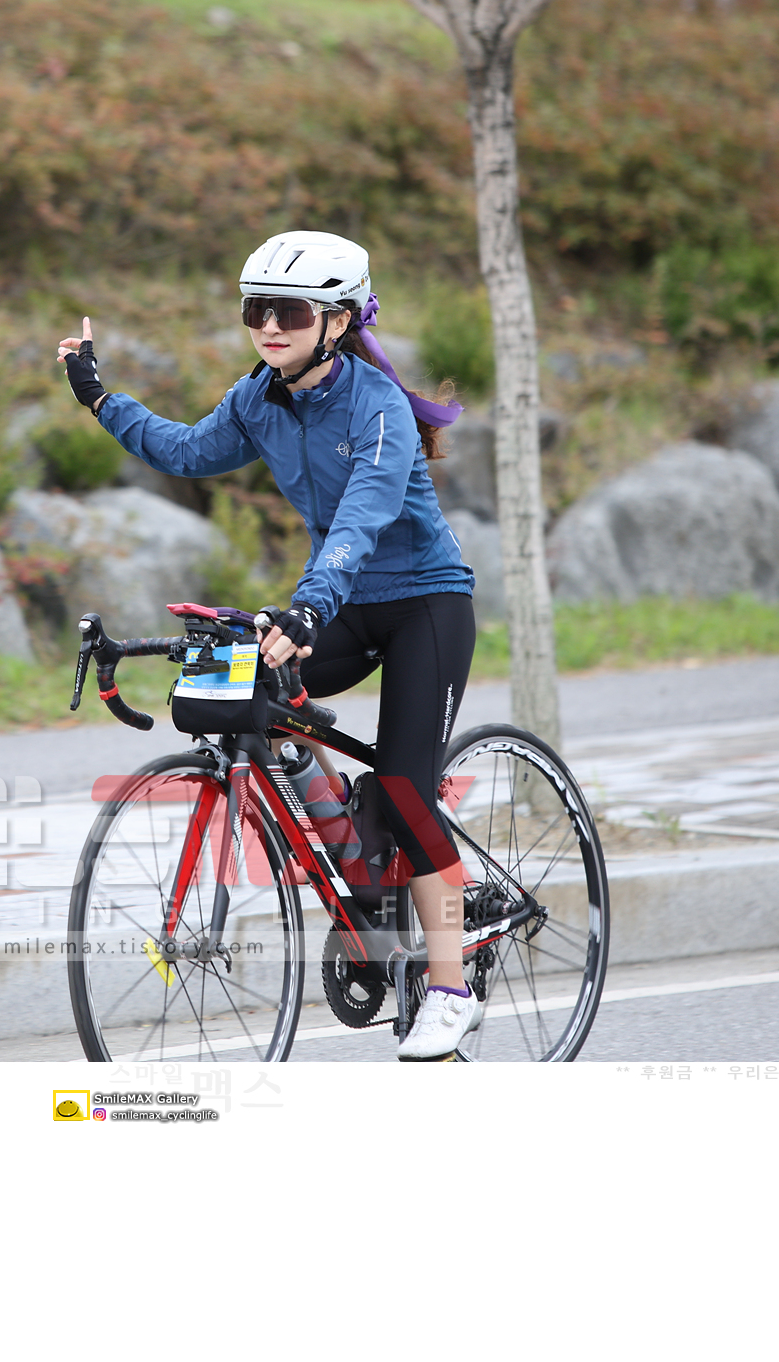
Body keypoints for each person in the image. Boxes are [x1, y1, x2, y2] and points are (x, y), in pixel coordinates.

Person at [58, 230, 480, 1061]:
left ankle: (449, 985)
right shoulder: (260, 399)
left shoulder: (377, 406)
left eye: (289, 311)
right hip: (340, 602)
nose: (269, 327)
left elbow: (362, 516)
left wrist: (309, 606)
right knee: (249, 687)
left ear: (338, 321)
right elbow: (184, 450)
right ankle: (356, 855)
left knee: (405, 790)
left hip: (424, 604)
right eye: (257, 310)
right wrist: (99, 398)